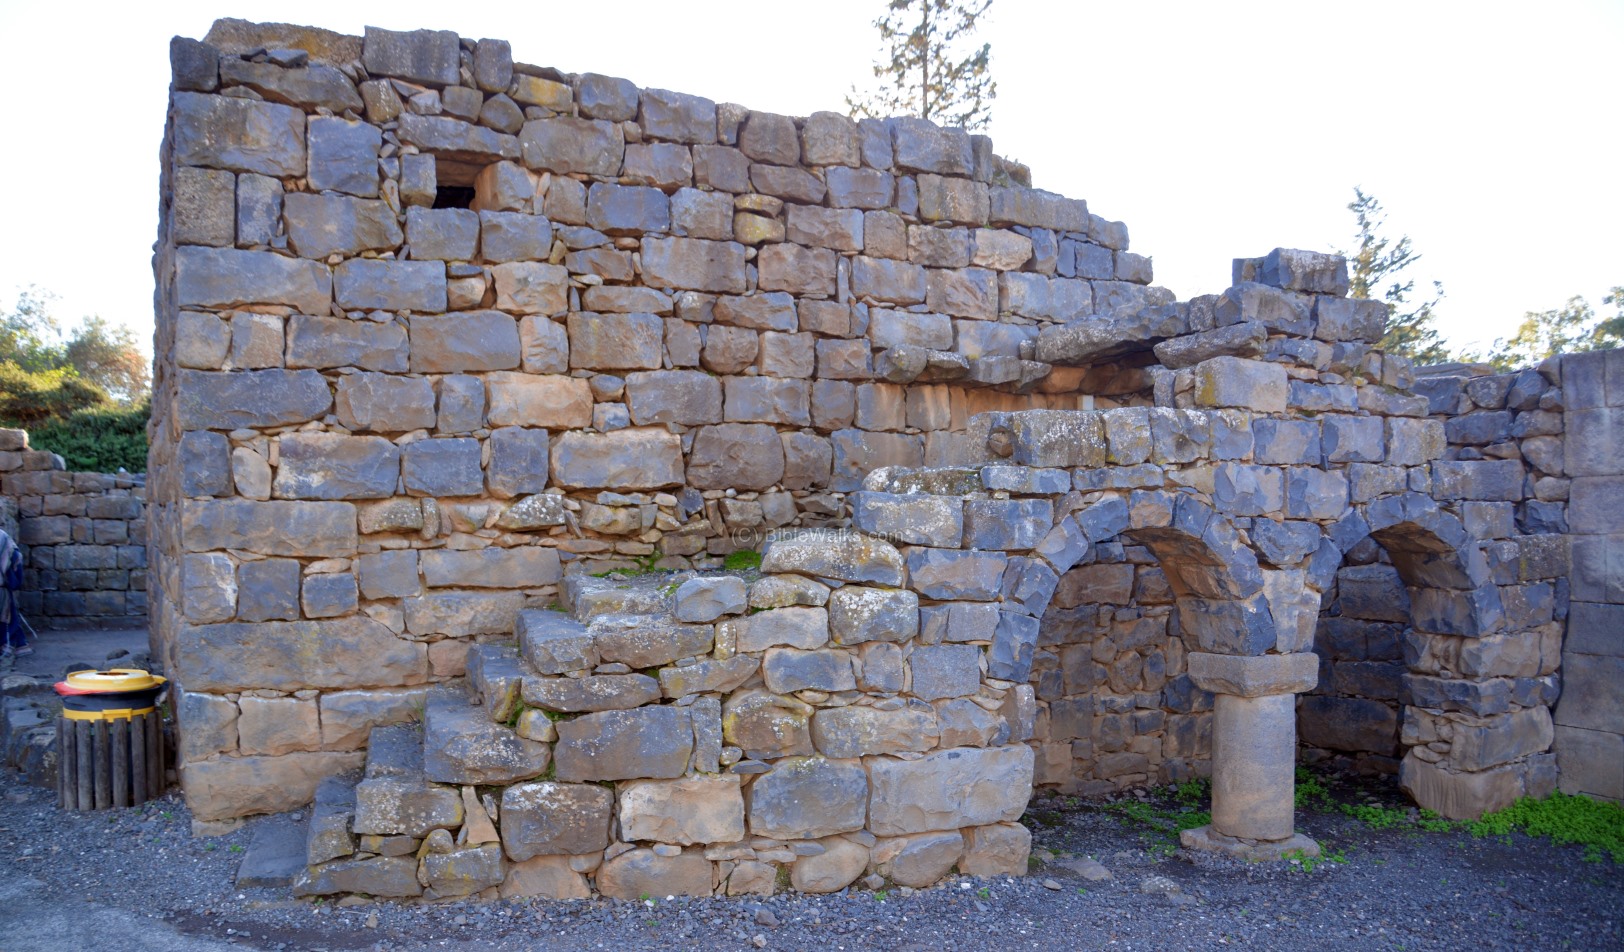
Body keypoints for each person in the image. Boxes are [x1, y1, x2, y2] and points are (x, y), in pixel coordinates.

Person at [0, 527, 29, 656]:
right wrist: (14, 582)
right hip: (2, 588)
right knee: (7, 619)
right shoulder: (3, 537)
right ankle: (13, 645)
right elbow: (16, 559)